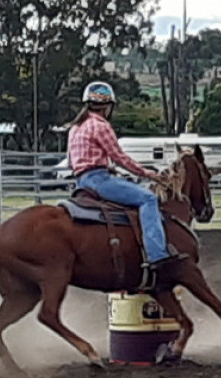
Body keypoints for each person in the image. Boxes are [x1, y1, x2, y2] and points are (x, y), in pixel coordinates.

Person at [67, 81, 185, 273]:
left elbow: (72, 161)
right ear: (108, 106)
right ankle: (158, 255)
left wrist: (105, 167)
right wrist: (146, 173)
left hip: (81, 182)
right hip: (99, 181)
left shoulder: (75, 128)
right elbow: (119, 157)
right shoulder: (100, 126)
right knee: (148, 199)